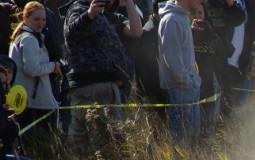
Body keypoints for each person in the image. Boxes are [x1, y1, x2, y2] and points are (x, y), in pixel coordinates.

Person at [63, 0, 142, 148]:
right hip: (89, 84)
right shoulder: (79, 9)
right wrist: (89, 15)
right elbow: (71, 35)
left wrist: (130, 3)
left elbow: (137, 31)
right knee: (93, 143)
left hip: (108, 85)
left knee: (112, 140)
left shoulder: (108, 17)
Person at [9, 1, 61, 139]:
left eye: (43, 19)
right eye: (36, 19)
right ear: (25, 18)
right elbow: (32, 69)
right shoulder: (29, 39)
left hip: (27, 101)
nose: (41, 23)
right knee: (43, 148)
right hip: (35, 103)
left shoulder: (22, 37)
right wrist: (53, 66)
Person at [158, 0, 202, 143]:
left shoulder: (183, 18)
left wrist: (194, 82)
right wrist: (189, 83)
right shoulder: (171, 20)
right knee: (181, 142)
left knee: (192, 141)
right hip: (180, 91)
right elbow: (172, 62)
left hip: (189, 90)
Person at [0, 55, 38, 160]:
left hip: (10, 149)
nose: (7, 75)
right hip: (4, 152)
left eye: (10, 72)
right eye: (4, 71)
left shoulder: (12, 93)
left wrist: (19, 112)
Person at [191, 0, 226, 138]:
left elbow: (222, 65)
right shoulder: (186, 34)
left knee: (207, 134)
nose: (197, 17)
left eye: (200, 13)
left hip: (210, 90)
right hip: (191, 90)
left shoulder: (213, 36)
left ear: (205, 15)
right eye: (193, 13)